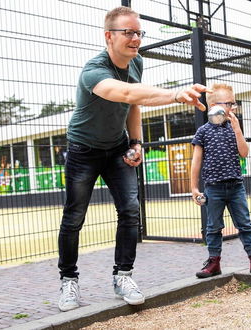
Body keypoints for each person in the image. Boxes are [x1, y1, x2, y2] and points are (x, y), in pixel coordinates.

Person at [58, 6, 209, 312]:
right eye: (128, 32)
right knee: (75, 217)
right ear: (109, 36)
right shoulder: (93, 71)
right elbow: (126, 94)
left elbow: (136, 101)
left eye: (138, 32)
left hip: (117, 148)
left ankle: (123, 276)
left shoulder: (136, 61)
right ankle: (68, 280)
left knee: (130, 210)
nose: (135, 38)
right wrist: (176, 95)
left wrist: (137, 141)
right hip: (83, 150)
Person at [190, 83, 251, 279]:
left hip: (236, 186)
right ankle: (214, 262)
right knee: (213, 227)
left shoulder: (234, 127)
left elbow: (244, 153)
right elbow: (196, 161)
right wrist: (194, 187)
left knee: (245, 225)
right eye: (229, 103)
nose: (233, 107)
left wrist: (238, 129)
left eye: (233, 103)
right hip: (213, 188)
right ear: (214, 106)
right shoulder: (203, 132)